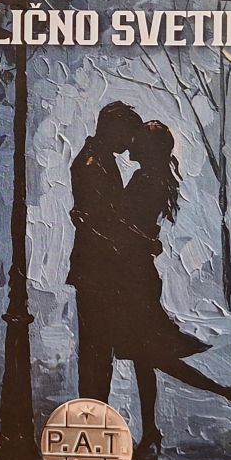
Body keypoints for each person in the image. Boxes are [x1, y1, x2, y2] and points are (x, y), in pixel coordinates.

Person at [115, 120, 231, 451]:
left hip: (135, 277)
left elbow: (128, 224)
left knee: (150, 356)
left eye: (137, 139)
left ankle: (226, 394)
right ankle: (152, 429)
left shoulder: (144, 180)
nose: (131, 143)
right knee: (145, 357)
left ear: (147, 148)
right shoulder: (154, 178)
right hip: (138, 274)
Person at [67, 101, 143, 403]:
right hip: (96, 269)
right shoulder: (92, 163)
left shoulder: (99, 159)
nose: (129, 141)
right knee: (96, 348)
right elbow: (102, 221)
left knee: (99, 348)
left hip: (99, 267)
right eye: (127, 133)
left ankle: (96, 406)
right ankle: (93, 408)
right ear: (114, 129)